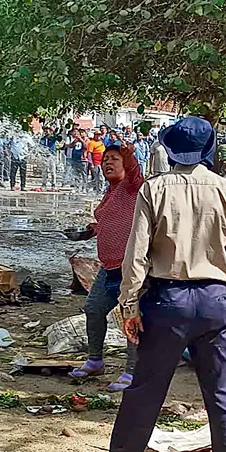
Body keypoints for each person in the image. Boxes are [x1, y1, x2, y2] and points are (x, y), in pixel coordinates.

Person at [93, 117, 226, 452]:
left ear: (169, 152)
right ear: (208, 153)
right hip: (217, 301)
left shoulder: (155, 190)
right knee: (223, 395)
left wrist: (128, 304)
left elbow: (136, 254)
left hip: (167, 300)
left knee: (146, 389)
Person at [70, 143, 144, 391]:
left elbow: (135, 172)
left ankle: (132, 372)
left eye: (114, 159)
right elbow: (110, 221)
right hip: (108, 267)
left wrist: (129, 154)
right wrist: (90, 230)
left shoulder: (132, 188)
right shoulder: (110, 191)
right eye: (105, 160)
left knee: (130, 317)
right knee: (93, 310)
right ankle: (95, 360)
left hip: (129, 268)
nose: (108, 163)